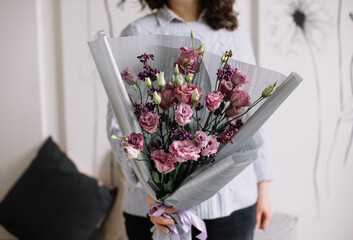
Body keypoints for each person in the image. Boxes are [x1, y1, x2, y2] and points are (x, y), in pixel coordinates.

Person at [107, 0, 273, 239]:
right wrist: (148, 187)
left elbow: (253, 118)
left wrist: (263, 188)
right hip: (155, 211)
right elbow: (117, 121)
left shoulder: (234, 33)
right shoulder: (137, 32)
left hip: (232, 207)